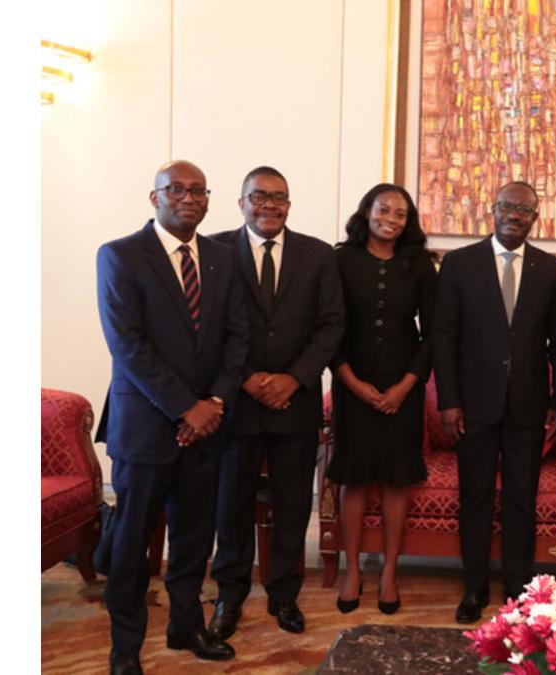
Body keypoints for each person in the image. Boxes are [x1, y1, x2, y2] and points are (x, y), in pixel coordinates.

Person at [95, 160, 249, 674]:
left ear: (208, 200)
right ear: (154, 197)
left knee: (193, 537)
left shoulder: (224, 259)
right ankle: (125, 646)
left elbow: (237, 339)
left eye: (198, 190)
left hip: (207, 428)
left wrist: (215, 404)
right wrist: (188, 407)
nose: (188, 198)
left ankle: (186, 626)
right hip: (145, 428)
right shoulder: (120, 255)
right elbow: (128, 345)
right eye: (176, 189)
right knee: (131, 543)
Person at [206, 167, 344, 639]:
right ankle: (229, 595)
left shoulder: (318, 255)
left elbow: (331, 325)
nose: (269, 205)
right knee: (232, 505)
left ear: (289, 204)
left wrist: (294, 378)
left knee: (292, 505)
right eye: (259, 196)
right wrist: (244, 378)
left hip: (294, 404)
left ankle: (284, 594)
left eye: (279, 197)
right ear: (241, 202)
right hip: (236, 403)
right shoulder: (215, 250)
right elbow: (207, 324)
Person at [433, 181, 556, 623]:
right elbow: (444, 337)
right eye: (507, 206)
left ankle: (518, 590)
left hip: (528, 405)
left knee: (520, 500)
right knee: (474, 497)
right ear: (492, 210)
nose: (514, 215)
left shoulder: (551, 270)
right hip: (472, 405)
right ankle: (473, 590)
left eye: (524, 209)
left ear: (535, 218)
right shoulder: (459, 264)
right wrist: (449, 400)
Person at [326, 183, 437, 615]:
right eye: (383, 209)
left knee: (395, 480)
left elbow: (433, 333)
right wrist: (352, 383)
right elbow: (328, 327)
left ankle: (390, 571)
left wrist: (406, 387)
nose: (390, 218)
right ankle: (353, 570)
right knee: (353, 478)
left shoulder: (420, 265)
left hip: (402, 388)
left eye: (400, 214)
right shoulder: (340, 260)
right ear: (366, 211)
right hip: (351, 384)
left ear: (408, 222)